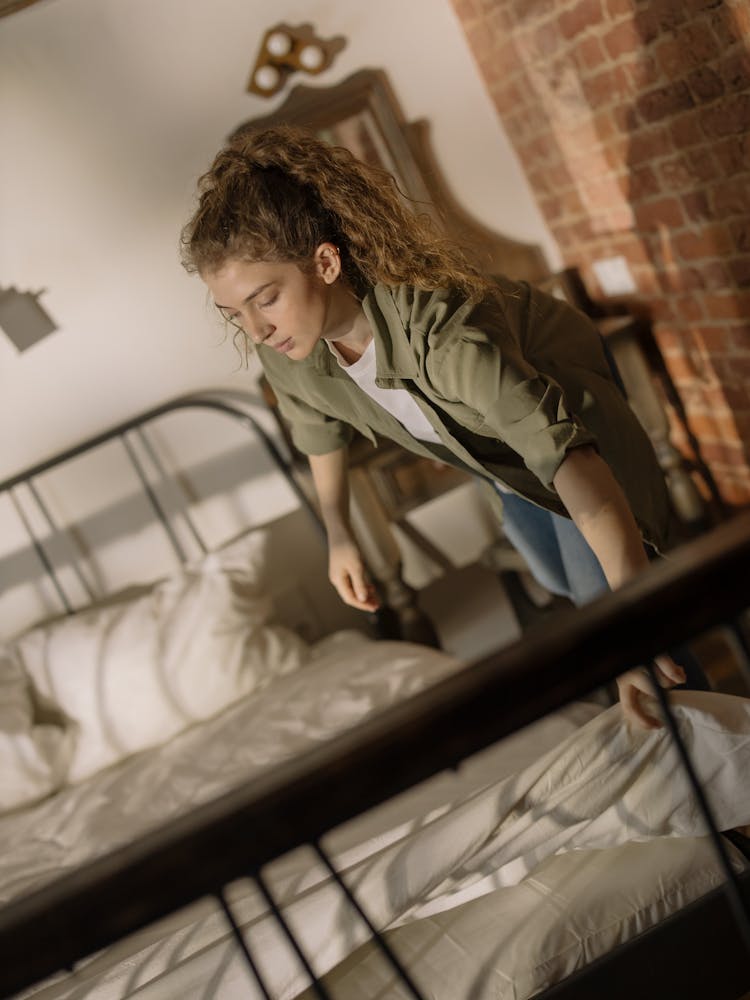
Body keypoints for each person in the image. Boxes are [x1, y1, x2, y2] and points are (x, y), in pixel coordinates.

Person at [181, 123, 692, 730]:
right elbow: (317, 429)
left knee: (610, 601)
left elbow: (569, 460)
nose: (256, 330)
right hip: (491, 445)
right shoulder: (288, 351)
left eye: (265, 298)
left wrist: (634, 626)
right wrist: (340, 531)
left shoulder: (446, 337)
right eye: (234, 313)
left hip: (559, 393)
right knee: (555, 572)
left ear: (323, 262)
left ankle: (708, 754)